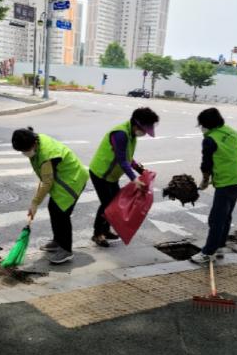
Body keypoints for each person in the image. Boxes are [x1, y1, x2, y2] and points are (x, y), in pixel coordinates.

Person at [12, 127, 88, 264]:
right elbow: (45, 176)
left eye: (26, 150)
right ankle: (57, 241)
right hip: (63, 178)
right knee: (53, 208)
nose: (25, 153)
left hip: (73, 179)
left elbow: (47, 182)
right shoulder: (37, 142)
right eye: (22, 151)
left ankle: (66, 250)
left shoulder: (46, 154)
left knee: (61, 213)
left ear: (34, 143)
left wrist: (35, 202)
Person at [191, 108, 237, 264]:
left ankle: (208, 252)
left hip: (226, 185)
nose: (201, 127)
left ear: (207, 124)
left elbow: (206, 164)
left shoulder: (210, 139)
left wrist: (205, 180)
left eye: (202, 124)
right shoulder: (232, 132)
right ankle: (220, 244)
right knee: (226, 215)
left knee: (216, 219)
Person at [89, 107, 160, 247]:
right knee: (107, 204)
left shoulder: (131, 134)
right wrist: (134, 179)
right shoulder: (121, 134)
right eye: (144, 130)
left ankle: (105, 230)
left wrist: (141, 170)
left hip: (112, 176)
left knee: (114, 203)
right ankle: (97, 234)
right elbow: (122, 160)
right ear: (137, 125)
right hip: (101, 173)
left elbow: (128, 157)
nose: (144, 133)